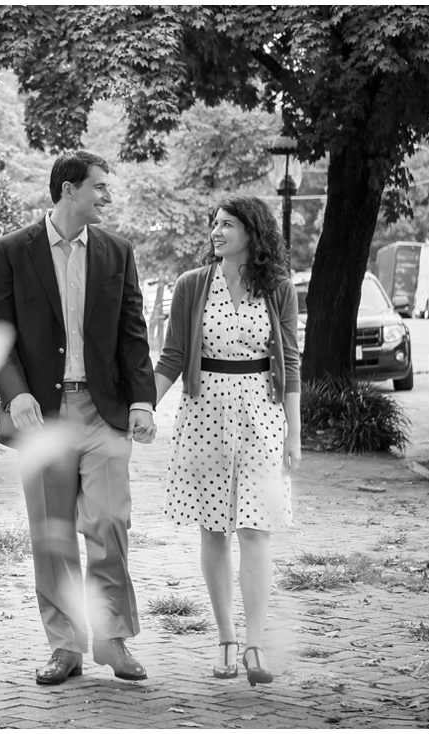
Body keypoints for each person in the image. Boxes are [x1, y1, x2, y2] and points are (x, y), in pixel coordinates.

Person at [0, 150, 157, 685]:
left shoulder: (117, 252)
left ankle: (112, 638)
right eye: (99, 187)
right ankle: (65, 647)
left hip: (102, 411)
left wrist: (143, 401)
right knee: (52, 533)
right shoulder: (13, 251)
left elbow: (133, 332)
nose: (107, 195)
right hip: (44, 417)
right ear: (67, 191)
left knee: (109, 523)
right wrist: (16, 394)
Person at [154, 195, 301, 687]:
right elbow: (173, 357)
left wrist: (294, 434)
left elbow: (293, 364)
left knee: (256, 530)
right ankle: (226, 640)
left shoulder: (278, 288)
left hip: (262, 414)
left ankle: (256, 644)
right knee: (214, 529)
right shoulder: (192, 285)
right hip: (205, 415)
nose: (217, 232)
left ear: (252, 234)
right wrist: (141, 405)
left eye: (228, 225)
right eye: (214, 224)